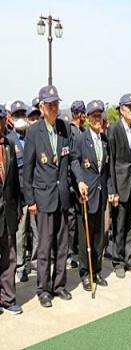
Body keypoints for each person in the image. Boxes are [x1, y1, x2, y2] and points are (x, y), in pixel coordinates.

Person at [23, 85, 73, 308]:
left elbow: (70, 160)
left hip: (62, 196)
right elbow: (28, 169)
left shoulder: (64, 128)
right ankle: (43, 288)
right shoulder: (34, 132)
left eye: (56, 104)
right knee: (44, 247)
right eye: (50, 104)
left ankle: (59, 284)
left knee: (62, 245)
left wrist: (78, 181)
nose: (54, 108)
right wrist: (30, 200)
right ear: (41, 107)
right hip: (43, 197)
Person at [71, 100, 111, 291]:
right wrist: (79, 181)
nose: (97, 119)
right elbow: (74, 162)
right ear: (87, 118)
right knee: (85, 238)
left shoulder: (105, 140)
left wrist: (110, 190)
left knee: (99, 237)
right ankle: (85, 273)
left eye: (100, 116)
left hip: (101, 195)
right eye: (94, 116)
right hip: (86, 195)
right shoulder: (80, 139)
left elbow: (107, 169)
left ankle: (97, 270)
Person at [108, 94, 131, 278]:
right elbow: (111, 162)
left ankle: (129, 259)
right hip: (120, 185)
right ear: (121, 109)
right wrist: (112, 190)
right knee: (119, 224)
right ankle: (118, 261)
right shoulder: (114, 130)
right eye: (129, 107)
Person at [7, 101, 39, 282]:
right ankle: (20, 265)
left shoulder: (32, 137)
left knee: (37, 230)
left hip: (34, 191)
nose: (21, 118)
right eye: (17, 115)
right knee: (20, 232)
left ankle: (33, 261)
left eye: (23, 114)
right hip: (19, 196)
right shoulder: (10, 140)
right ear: (11, 117)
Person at [0, 104, 23, 315]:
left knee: (10, 257)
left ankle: (7, 298)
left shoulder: (9, 144)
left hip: (7, 210)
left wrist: (18, 206)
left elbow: (14, 179)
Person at [67, 100, 87, 270]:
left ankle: (76, 252)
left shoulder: (82, 131)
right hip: (72, 183)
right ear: (80, 115)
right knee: (72, 221)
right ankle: (71, 253)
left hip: (80, 181)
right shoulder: (72, 132)